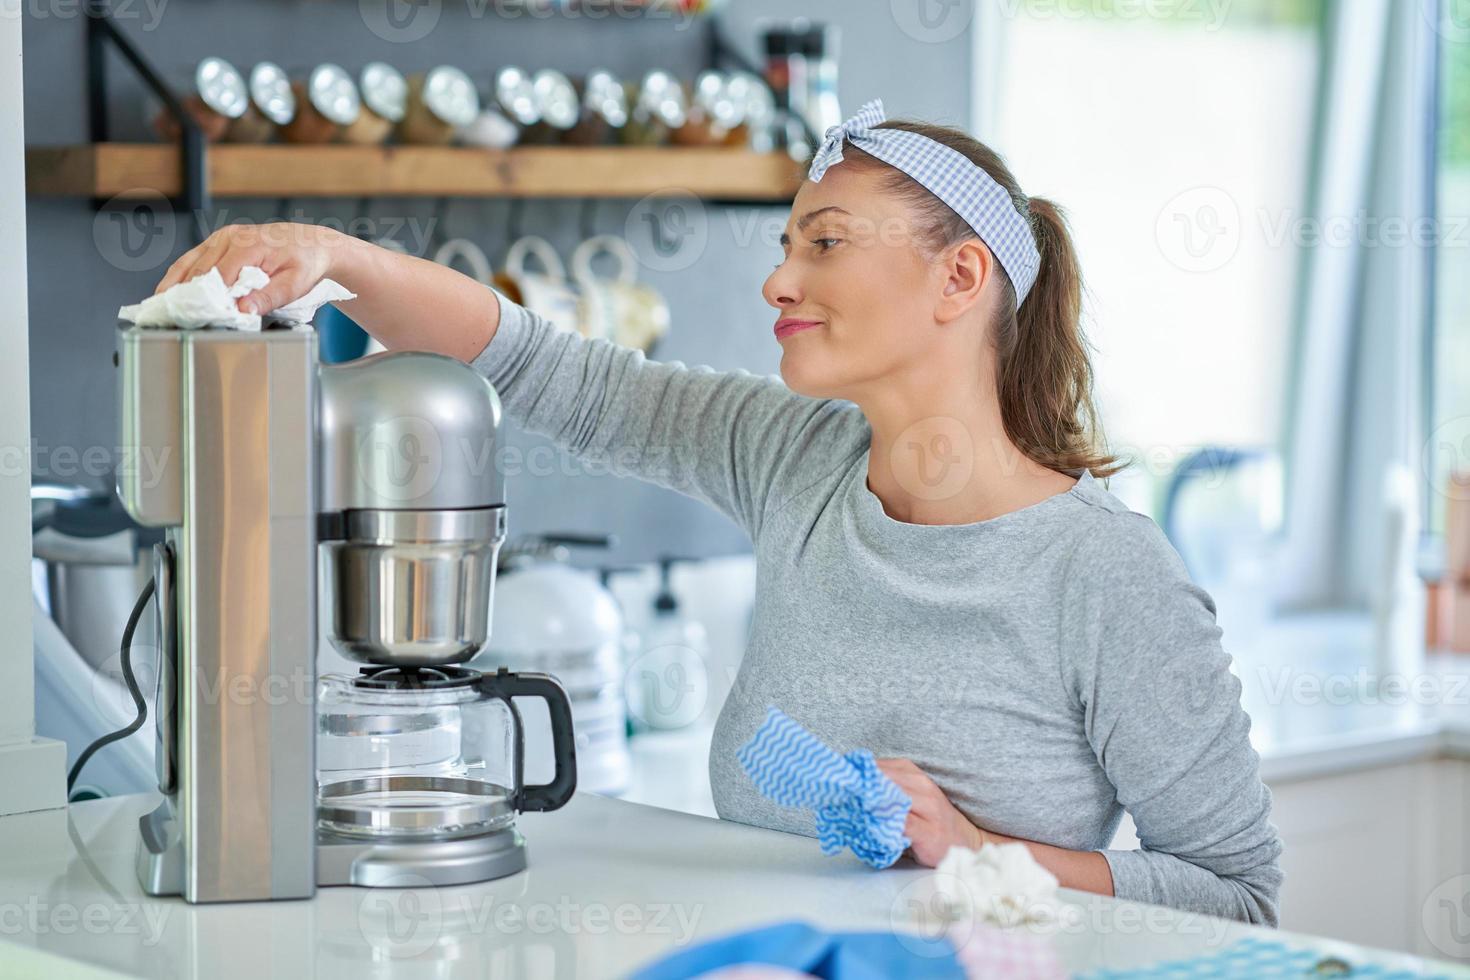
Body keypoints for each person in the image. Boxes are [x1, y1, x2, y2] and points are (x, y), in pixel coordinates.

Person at [154, 100, 1283, 925]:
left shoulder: (1105, 573)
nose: (779, 281)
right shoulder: (793, 456)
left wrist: (981, 849)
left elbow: (1239, 896)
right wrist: (334, 258)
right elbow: (555, 370)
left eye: (825, 242)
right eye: (786, 244)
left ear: (961, 278)